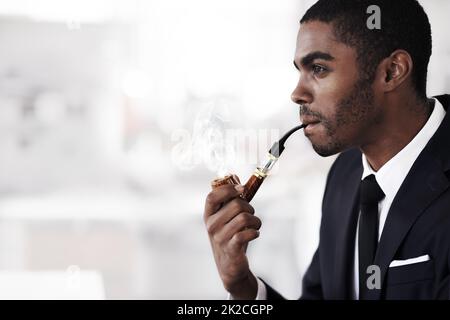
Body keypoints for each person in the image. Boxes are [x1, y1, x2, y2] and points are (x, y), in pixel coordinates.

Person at [203, 0, 450, 300]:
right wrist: (243, 286)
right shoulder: (345, 174)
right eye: (300, 71)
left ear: (391, 72)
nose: (297, 94)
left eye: (318, 69)